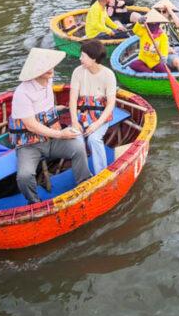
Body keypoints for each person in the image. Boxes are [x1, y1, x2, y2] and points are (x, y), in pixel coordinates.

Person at [9, 48, 92, 204]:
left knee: (78, 146)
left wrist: (56, 110)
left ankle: (84, 181)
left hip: (51, 139)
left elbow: (43, 108)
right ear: (36, 72)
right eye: (46, 68)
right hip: (30, 145)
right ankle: (34, 202)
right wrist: (61, 134)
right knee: (24, 176)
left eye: (51, 66)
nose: (51, 70)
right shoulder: (22, 93)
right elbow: (31, 125)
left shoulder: (48, 81)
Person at [68, 40, 117, 175]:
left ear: (94, 58)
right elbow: (72, 99)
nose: (80, 58)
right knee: (75, 139)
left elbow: (110, 103)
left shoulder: (108, 75)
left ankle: (101, 174)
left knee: (94, 139)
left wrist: (97, 124)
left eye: (83, 56)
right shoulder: (78, 72)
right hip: (81, 115)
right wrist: (74, 121)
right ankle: (83, 176)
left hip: (100, 117)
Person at [152, 0, 179, 69]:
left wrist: (170, 11)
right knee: (178, 62)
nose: (161, 14)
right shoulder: (154, 24)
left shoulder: (172, 21)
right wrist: (167, 49)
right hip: (165, 50)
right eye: (159, 11)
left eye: (164, 11)